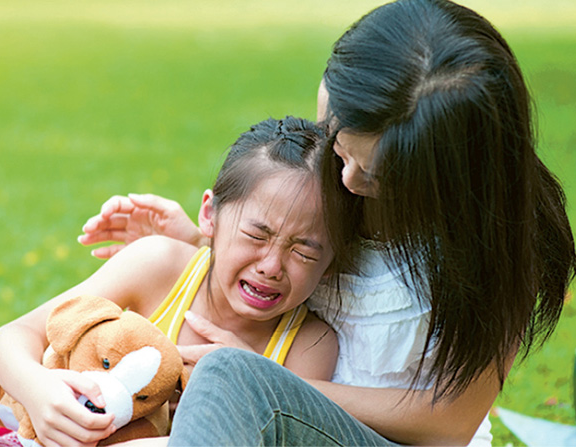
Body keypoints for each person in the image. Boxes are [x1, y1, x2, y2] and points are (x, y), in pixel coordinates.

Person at [78, 0, 576, 445]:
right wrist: (201, 244)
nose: (349, 180)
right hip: (292, 418)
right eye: (339, 146)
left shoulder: (502, 243)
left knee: (227, 379)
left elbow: (449, 423)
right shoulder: (336, 176)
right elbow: (288, 268)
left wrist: (265, 380)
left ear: (448, 173)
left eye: (381, 176)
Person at [0, 117, 340, 447]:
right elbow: (14, 336)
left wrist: (243, 376)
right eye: (257, 234)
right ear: (209, 215)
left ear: (333, 258)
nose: (272, 264)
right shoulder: (162, 266)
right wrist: (39, 393)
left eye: (305, 250)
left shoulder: (307, 342)